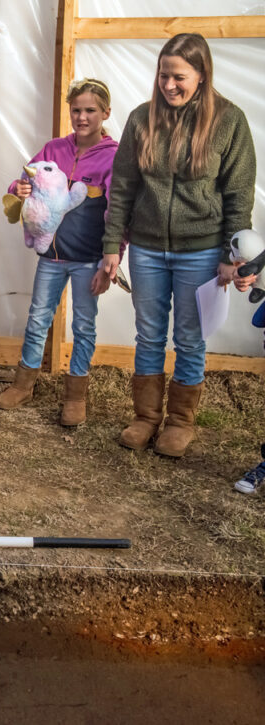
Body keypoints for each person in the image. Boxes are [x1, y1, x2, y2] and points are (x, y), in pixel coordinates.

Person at [101, 33, 257, 457]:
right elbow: (123, 191)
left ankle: (180, 422)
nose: (168, 85)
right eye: (163, 75)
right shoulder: (140, 119)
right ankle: (146, 417)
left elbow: (238, 196)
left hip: (202, 251)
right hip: (148, 250)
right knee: (149, 336)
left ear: (202, 75)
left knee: (189, 339)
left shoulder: (230, 121)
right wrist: (112, 246)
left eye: (179, 77)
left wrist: (233, 256)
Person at [0, 79, 120, 426]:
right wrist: (17, 188)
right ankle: (24, 384)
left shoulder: (113, 156)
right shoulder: (53, 149)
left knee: (83, 325)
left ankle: (76, 395)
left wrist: (112, 257)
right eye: (76, 110)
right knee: (37, 319)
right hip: (51, 257)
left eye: (90, 110)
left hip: (88, 260)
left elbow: (119, 211)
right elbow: (23, 181)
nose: (81, 117)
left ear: (105, 113)